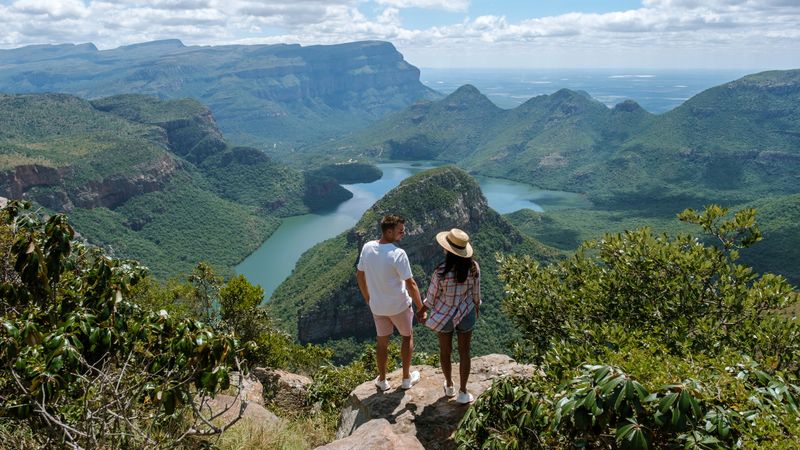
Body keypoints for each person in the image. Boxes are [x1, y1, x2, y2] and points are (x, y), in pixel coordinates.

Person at [356, 214, 426, 391]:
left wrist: (368, 298)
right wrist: (421, 308)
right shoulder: (398, 254)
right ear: (389, 231)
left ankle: (382, 380)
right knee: (407, 337)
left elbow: (360, 274)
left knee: (382, 342)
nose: (404, 233)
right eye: (400, 231)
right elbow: (411, 283)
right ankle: (405, 379)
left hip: (377, 307)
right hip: (399, 306)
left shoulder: (367, 247)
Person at [419, 228, 481, 404]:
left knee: (445, 351)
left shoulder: (440, 271)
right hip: (466, 313)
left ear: (448, 250)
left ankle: (449, 385)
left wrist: (421, 310)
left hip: (445, 316)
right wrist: (476, 307)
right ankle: (463, 392)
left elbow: (431, 298)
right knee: (465, 353)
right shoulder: (474, 267)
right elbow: (476, 294)